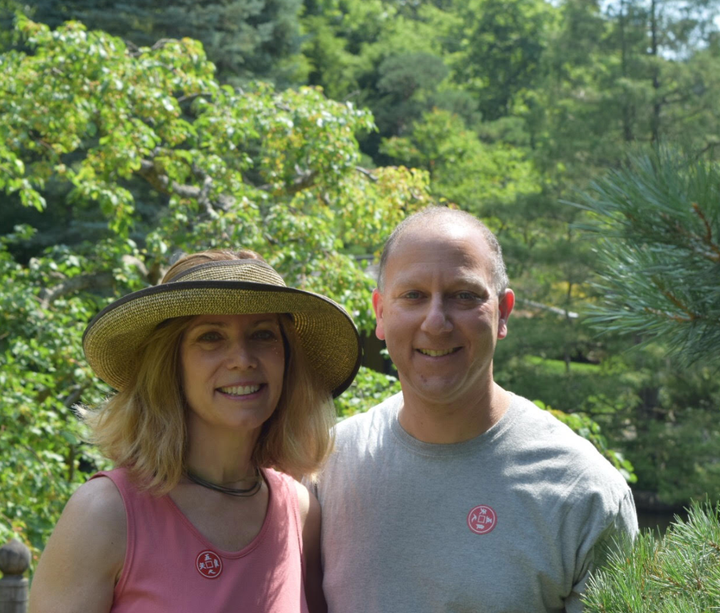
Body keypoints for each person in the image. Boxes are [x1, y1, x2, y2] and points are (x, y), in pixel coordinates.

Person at [311, 207, 638, 613]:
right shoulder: (327, 466)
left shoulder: (583, 494)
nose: (436, 321)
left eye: (463, 295)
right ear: (380, 312)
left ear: (504, 313)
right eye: (413, 296)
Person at [29, 249, 361, 613]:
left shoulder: (300, 514)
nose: (243, 359)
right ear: (171, 363)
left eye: (263, 335)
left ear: (288, 360)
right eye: (211, 337)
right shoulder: (105, 514)